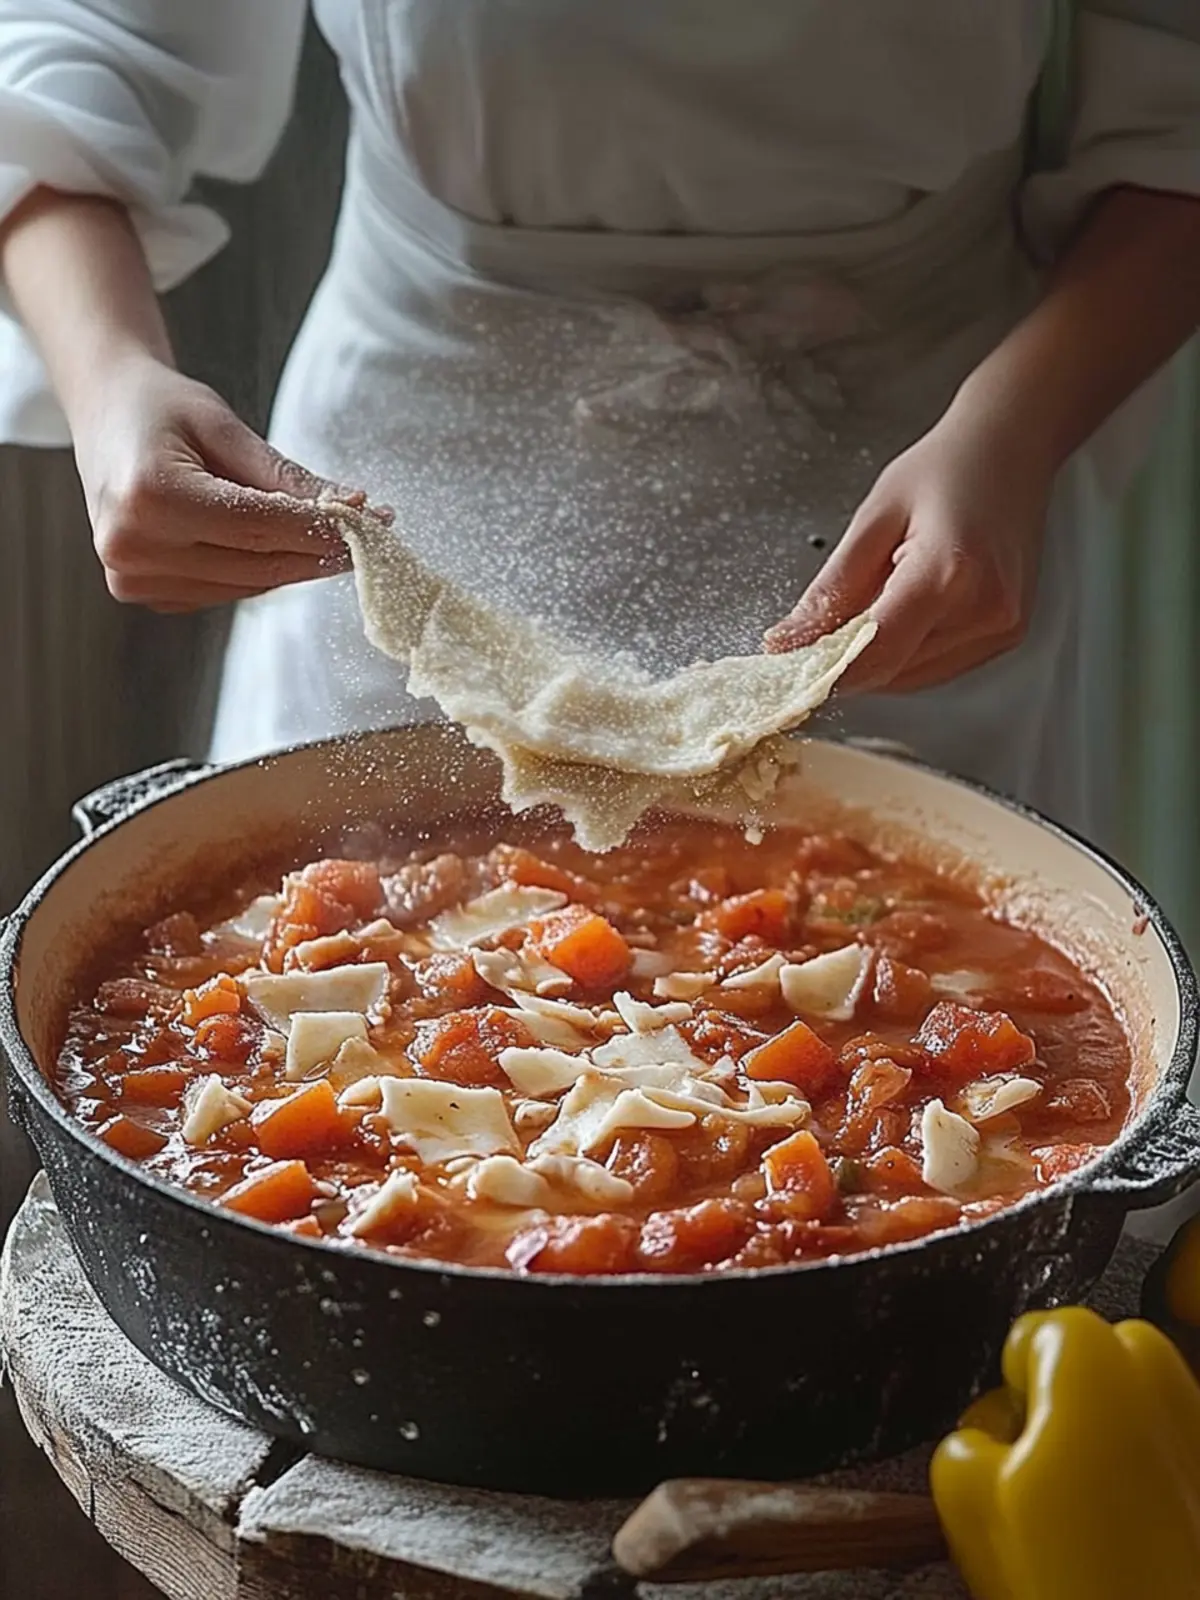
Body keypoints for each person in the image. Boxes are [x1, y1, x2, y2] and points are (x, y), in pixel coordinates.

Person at [1, 2, 1198, 853]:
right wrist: (111, 382)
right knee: (320, 1002)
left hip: (926, 482)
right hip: (420, 443)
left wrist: (1012, 436)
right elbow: (77, 39)